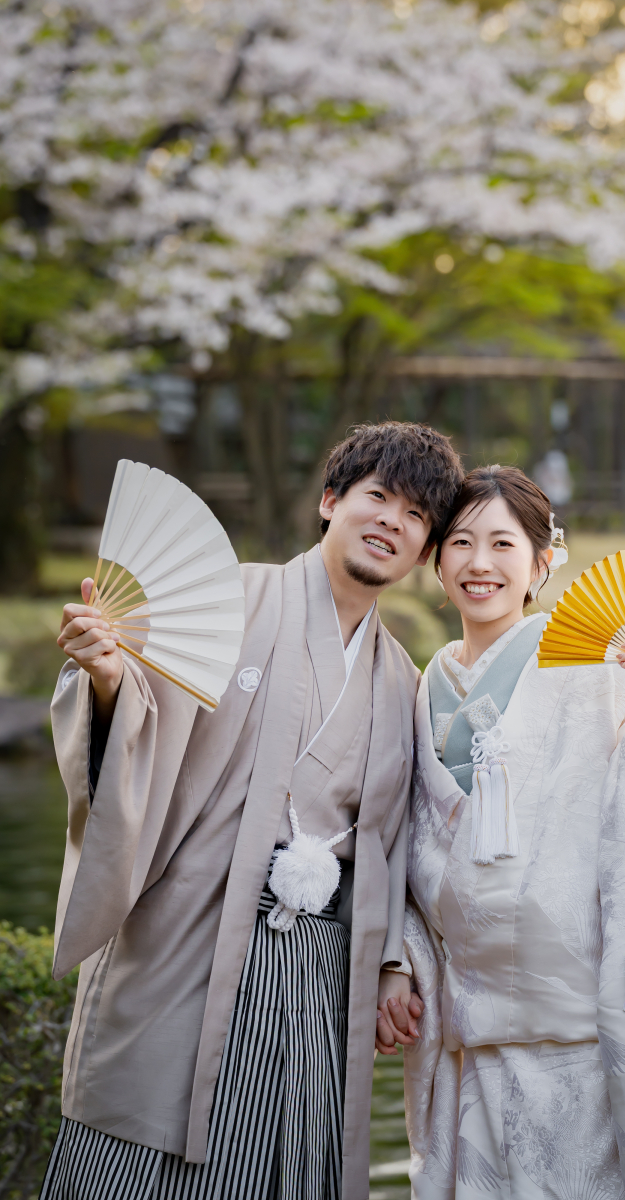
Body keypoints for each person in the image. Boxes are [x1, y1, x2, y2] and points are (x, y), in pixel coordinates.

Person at [40, 422, 462, 1200]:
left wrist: (395, 964)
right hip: (191, 936)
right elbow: (138, 723)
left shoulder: (404, 678)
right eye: (378, 498)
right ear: (331, 501)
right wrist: (105, 679)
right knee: (142, 1154)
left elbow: (400, 846)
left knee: (287, 1164)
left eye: (415, 517)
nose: (391, 523)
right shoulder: (226, 599)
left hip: (315, 974)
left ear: (423, 549)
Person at [376, 465, 625, 1199]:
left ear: (541, 563)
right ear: (436, 559)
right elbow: (402, 856)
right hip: (468, 1043)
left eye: (503, 544)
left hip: (580, 1042)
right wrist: (398, 961)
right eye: (462, 542)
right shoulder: (418, 689)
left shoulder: (591, 669)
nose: (480, 563)